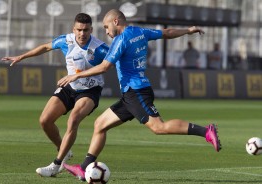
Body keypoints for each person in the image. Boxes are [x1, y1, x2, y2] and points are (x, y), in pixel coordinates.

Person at [57, 9, 222, 181]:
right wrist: (188, 30)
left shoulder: (120, 40)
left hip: (136, 92)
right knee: (100, 124)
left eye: (106, 27)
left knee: (159, 127)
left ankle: (206, 131)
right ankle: (84, 168)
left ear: (115, 22)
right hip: (131, 94)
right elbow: (167, 32)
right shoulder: (140, 32)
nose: (106, 31)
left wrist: (76, 75)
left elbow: (105, 67)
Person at [1, 13, 109, 177]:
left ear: (91, 30)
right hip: (69, 86)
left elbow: (111, 64)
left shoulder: (100, 48)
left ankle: (56, 165)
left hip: (90, 90)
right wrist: (21, 56)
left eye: (86, 30)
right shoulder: (66, 41)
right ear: (74, 29)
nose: (82, 33)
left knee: (73, 119)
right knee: (45, 120)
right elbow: (45, 47)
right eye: (79, 30)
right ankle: (64, 151)